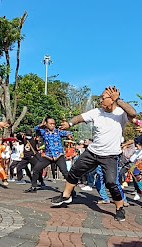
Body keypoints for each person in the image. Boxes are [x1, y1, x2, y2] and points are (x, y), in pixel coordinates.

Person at [53, 86, 137, 222]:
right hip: (93, 152)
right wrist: (69, 123)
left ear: (112, 100)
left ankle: (119, 208)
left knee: (111, 183)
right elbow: (80, 117)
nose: (100, 101)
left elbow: (133, 114)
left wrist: (119, 100)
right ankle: (66, 195)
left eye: (103, 98)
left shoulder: (121, 113)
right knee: (74, 171)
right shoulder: (97, 112)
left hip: (110, 155)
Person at [24, 117, 71, 193]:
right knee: (36, 169)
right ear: (46, 124)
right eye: (51, 123)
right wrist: (40, 125)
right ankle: (33, 187)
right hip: (48, 156)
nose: (53, 125)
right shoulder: (43, 132)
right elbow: (35, 129)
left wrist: (69, 135)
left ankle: (71, 190)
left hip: (58, 155)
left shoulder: (58, 131)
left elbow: (68, 133)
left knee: (65, 172)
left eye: (54, 124)